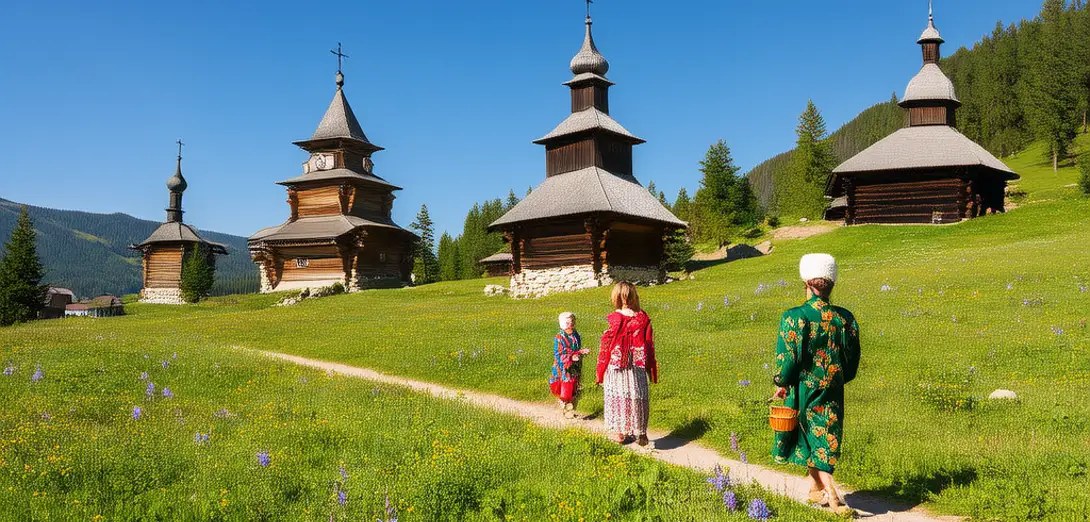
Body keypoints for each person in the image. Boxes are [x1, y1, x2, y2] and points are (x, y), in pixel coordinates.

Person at [771, 254, 861, 516]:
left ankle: (832, 494)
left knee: (812, 433)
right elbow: (852, 359)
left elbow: (787, 358)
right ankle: (814, 490)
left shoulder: (795, 317)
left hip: (803, 387)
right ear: (831, 282)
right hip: (833, 387)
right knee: (824, 431)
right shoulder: (844, 318)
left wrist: (781, 382)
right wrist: (837, 377)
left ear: (806, 282)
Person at [596, 282, 658, 446]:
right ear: (634, 297)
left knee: (618, 395)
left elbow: (606, 347)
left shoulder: (615, 318)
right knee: (637, 396)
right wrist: (651, 370)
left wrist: (600, 372)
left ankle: (620, 433)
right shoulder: (643, 318)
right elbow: (649, 344)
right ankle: (641, 433)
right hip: (636, 365)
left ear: (615, 298)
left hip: (616, 366)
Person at [549, 312, 588, 418]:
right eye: (568, 321)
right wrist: (571, 357)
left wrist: (581, 352)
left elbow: (576, 350)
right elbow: (558, 354)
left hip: (575, 367)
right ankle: (566, 409)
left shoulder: (576, 335)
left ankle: (571, 409)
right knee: (565, 389)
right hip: (563, 368)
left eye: (572, 321)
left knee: (575, 388)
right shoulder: (559, 337)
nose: (571, 323)